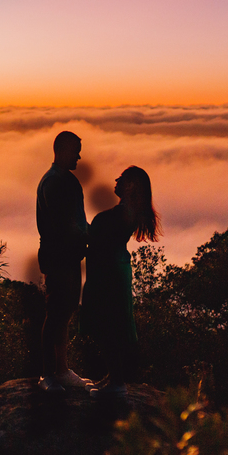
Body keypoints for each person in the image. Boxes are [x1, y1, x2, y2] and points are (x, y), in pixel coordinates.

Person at [81, 165, 159, 399]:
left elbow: (98, 242)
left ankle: (117, 381)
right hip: (114, 270)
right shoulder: (127, 213)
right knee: (112, 324)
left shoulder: (119, 215)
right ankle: (114, 376)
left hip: (108, 274)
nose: (116, 180)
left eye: (122, 178)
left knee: (107, 325)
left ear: (132, 185)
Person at [36, 130, 91, 394]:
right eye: (76, 151)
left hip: (69, 258)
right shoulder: (53, 183)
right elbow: (64, 225)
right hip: (58, 259)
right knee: (56, 314)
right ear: (62, 150)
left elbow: (78, 222)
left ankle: (61, 369)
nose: (79, 156)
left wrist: (92, 235)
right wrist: (87, 236)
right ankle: (47, 374)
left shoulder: (66, 181)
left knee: (65, 314)